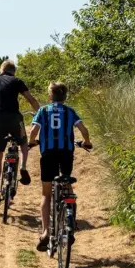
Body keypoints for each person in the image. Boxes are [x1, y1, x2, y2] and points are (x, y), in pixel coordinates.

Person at [28, 81, 92, 252]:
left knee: (46, 193)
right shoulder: (70, 111)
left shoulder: (43, 111)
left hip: (48, 154)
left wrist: (32, 142)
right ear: (65, 96)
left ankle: (46, 232)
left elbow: (33, 132)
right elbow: (84, 130)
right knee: (67, 183)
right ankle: (71, 221)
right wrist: (86, 142)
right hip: (66, 154)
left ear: (50, 96)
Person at [0, 60, 40, 205]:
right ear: (13, 71)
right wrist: (40, 114)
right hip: (14, 118)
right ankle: (23, 167)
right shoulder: (17, 81)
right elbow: (31, 99)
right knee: (23, 142)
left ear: (1, 69)